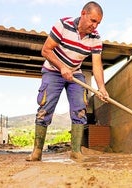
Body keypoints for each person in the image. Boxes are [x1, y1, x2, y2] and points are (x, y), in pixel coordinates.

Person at [26, 1, 108, 161]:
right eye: (93, 20)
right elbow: (46, 50)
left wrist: (102, 88)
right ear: (83, 13)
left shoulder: (95, 38)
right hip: (53, 71)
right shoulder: (63, 25)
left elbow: (97, 65)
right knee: (45, 107)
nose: (95, 26)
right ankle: (37, 152)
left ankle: (76, 151)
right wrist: (62, 67)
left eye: (98, 22)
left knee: (80, 109)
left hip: (75, 74)